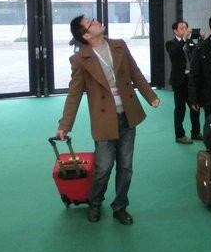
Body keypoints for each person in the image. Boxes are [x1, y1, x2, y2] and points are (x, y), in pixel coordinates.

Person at [56, 15, 159, 225]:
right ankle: (95, 202)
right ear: (86, 35)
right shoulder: (80, 59)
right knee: (103, 167)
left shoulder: (119, 45)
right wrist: (65, 125)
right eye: (91, 23)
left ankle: (120, 206)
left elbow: (135, 73)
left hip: (128, 114)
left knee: (126, 167)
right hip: (104, 119)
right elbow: (74, 93)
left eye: (93, 19)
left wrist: (150, 96)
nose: (96, 22)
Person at [165, 20, 203, 144]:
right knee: (180, 108)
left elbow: (199, 52)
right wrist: (183, 39)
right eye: (181, 28)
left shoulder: (190, 42)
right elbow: (174, 52)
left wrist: (201, 39)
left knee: (195, 106)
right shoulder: (170, 43)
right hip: (179, 80)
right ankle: (180, 135)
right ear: (175, 31)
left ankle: (196, 132)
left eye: (186, 28)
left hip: (191, 79)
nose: (184, 30)